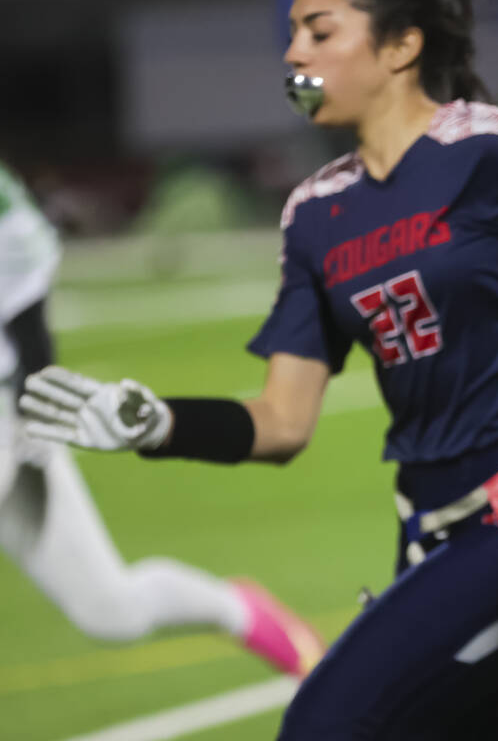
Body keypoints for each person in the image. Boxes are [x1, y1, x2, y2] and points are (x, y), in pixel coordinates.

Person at [19, 0, 498, 741]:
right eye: (292, 32)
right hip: (430, 534)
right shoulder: (315, 213)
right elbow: (283, 422)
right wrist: (159, 423)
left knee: (325, 723)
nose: (294, 52)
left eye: (319, 31)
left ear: (401, 44)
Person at [0, 162, 323, 676]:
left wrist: (31, 412)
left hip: (8, 416)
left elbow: (24, 295)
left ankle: (243, 612)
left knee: (110, 611)